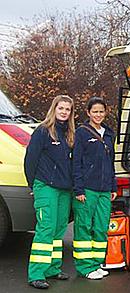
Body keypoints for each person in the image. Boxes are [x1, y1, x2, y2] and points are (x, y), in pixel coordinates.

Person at [24, 95, 75, 289]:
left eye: (67, 109)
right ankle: (36, 273)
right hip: (45, 186)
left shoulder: (69, 133)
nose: (64, 112)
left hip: (64, 189)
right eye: (61, 108)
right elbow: (30, 160)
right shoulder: (43, 132)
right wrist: (33, 186)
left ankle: (52, 268)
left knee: (58, 229)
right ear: (54, 109)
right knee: (45, 229)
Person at [72, 96, 117, 280]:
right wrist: (79, 189)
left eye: (101, 111)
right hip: (87, 189)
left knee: (100, 227)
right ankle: (85, 267)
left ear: (105, 112)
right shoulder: (81, 133)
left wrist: (113, 186)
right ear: (88, 113)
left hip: (105, 189)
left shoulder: (109, 134)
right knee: (83, 226)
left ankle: (97, 263)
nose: (98, 114)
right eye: (95, 111)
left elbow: (111, 162)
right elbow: (76, 162)